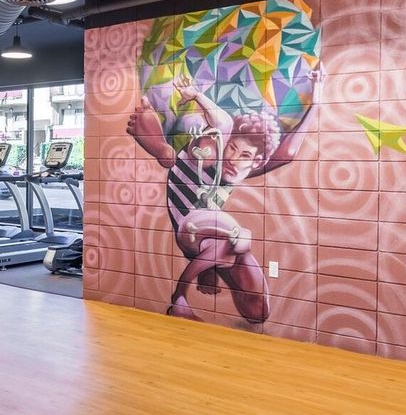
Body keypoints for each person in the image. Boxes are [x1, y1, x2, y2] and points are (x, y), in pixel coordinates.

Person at [127, 73, 316, 324]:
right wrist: (194, 99)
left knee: (258, 310)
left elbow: (288, 153)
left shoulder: (243, 170)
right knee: (237, 236)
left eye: (244, 155)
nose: (233, 159)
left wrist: (318, 100)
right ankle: (179, 298)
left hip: (209, 238)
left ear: (256, 162)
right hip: (191, 228)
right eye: (232, 149)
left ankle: (213, 265)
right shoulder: (209, 156)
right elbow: (221, 125)